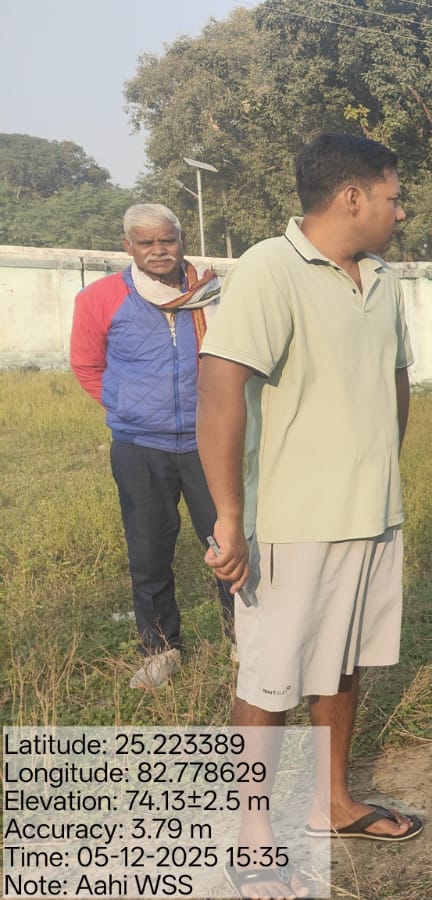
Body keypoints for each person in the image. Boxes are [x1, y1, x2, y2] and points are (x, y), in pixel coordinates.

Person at [198, 133, 422, 897]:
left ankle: (332, 802)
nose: (401, 210)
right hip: (291, 521)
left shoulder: (384, 279)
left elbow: (396, 380)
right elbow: (220, 389)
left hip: (373, 513)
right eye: (393, 196)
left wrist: (381, 470)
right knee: (270, 676)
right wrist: (230, 516)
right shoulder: (270, 267)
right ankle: (253, 833)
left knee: (344, 662)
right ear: (352, 197)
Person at [70, 203, 233, 690]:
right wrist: (129, 406)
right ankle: (161, 649)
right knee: (148, 552)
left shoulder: (212, 293)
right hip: (140, 446)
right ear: (128, 247)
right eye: (146, 242)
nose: (159, 250)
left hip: (211, 443)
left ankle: (246, 639)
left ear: (182, 240)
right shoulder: (100, 298)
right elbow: (86, 365)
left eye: (167, 239)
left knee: (229, 543)